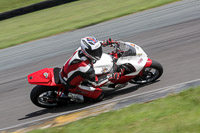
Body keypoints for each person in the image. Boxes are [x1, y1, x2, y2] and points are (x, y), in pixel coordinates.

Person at [59, 36, 123, 102]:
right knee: (98, 94)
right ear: (87, 51)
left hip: (67, 71)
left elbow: (95, 46)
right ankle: (74, 95)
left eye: (97, 50)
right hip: (70, 84)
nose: (97, 52)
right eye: (94, 51)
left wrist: (105, 42)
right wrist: (111, 76)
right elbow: (96, 83)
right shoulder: (86, 67)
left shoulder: (81, 49)